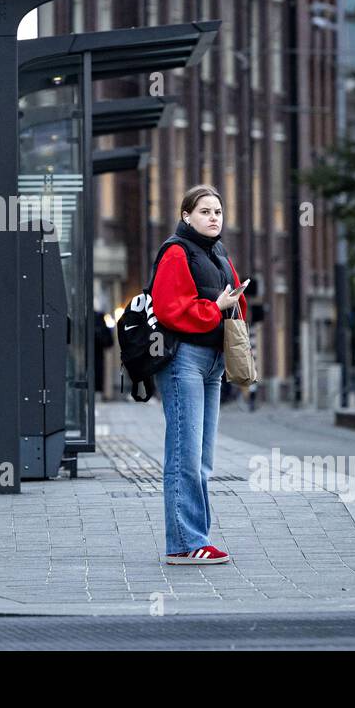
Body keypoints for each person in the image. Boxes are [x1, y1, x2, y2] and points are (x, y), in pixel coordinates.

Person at [150, 184, 248, 566]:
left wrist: (233, 308)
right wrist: (216, 306)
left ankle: (196, 536)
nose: (213, 218)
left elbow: (234, 302)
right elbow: (170, 308)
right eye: (205, 211)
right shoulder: (176, 251)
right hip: (184, 361)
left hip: (212, 362)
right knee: (184, 455)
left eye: (218, 212)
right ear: (186, 215)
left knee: (203, 457)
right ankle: (186, 542)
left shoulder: (219, 252)